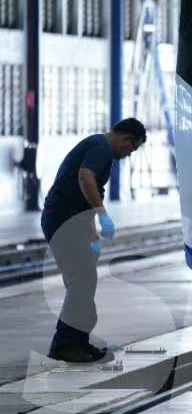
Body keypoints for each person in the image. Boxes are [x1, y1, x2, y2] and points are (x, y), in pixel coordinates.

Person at [42, 118, 147, 363]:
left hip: (69, 221)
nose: (129, 154)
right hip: (62, 220)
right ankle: (64, 346)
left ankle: (78, 342)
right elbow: (85, 177)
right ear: (126, 139)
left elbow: (88, 194)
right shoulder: (101, 148)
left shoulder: (101, 149)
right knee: (81, 281)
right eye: (132, 149)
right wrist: (102, 214)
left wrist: (92, 235)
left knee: (84, 282)